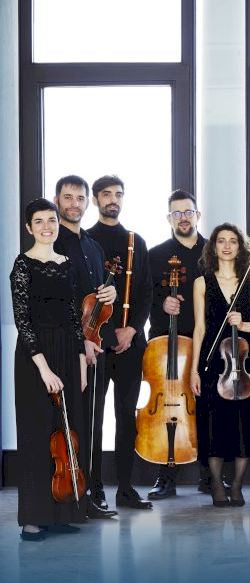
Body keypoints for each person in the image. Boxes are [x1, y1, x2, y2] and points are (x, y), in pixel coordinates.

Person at [11, 198, 89, 540]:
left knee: (67, 434)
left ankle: (62, 512)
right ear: (29, 228)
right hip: (35, 358)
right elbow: (23, 322)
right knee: (37, 433)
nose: (47, 226)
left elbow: (73, 316)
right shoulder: (22, 265)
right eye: (39, 221)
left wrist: (81, 362)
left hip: (67, 353)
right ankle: (33, 517)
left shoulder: (67, 264)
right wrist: (43, 369)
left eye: (52, 220)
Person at [189, 224, 250, 506]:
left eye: (233, 241)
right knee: (213, 424)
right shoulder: (202, 283)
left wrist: (246, 324)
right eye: (221, 241)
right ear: (213, 247)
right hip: (214, 362)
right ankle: (217, 484)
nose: (227, 246)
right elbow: (200, 329)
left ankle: (237, 485)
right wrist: (193, 369)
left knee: (245, 425)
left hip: (248, 362)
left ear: (241, 247)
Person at [86, 175, 154, 510]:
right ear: (95, 199)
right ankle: (95, 488)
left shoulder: (135, 241)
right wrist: (105, 334)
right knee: (94, 418)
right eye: (106, 194)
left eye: (118, 194)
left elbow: (145, 291)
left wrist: (133, 330)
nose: (113, 199)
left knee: (127, 417)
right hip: (96, 345)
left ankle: (125, 489)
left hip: (130, 345)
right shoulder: (85, 241)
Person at [51, 175, 117, 519]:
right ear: (57, 201)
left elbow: (95, 302)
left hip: (95, 346)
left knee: (93, 423)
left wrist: (112, 293)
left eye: (80, 198)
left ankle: (90, 492)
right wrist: (81, 343)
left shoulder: (93, 246)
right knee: (69, 423)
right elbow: (59, 303)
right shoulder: (53, 242)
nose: (74, 204)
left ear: (87, 203)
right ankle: (67, 496)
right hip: (68, 348)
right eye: (68, 197)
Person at [145, 189, 215, 499]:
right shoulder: (155, 255)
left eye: (188, 212)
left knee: (208, 406)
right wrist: (162, 304)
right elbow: (144, 297)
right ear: (169, 218)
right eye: (177, 213)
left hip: (205, 340)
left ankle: (209, 476)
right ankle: (166, 476)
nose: (183, 218)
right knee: (170, 405)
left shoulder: (214, 252)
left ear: (198, 215)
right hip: (167, 344)